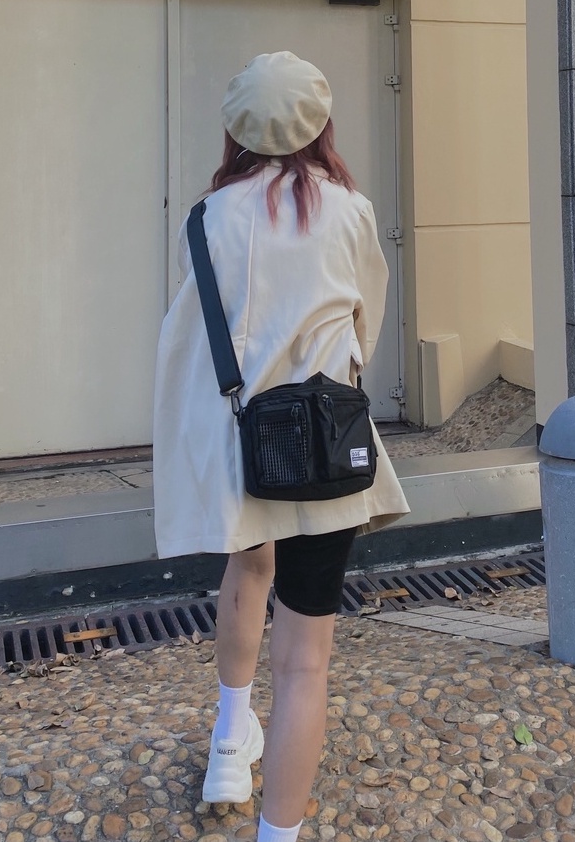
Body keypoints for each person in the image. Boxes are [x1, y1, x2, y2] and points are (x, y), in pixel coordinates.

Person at [153, 51, 410, 842]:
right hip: (326, 449)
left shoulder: (208, 217)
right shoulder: (351, 211)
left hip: (244, 446)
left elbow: (193, 340)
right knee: (305, 662)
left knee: (246, 570)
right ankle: (278, 833)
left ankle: (230, 744)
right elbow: (366, 323)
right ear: (319, 125)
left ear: (236, 129)